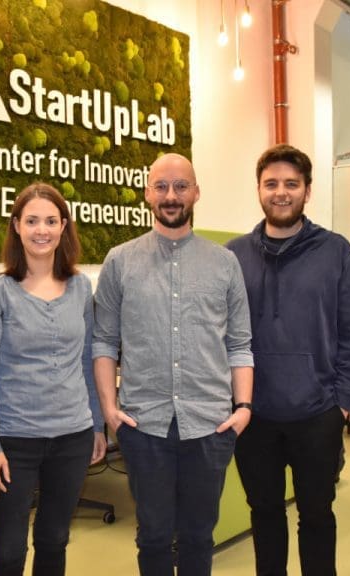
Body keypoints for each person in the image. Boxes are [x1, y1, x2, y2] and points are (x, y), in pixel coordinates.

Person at [92, 153, 254, 576]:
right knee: (154, 536)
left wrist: (243, 408)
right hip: (143, 426)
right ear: (147, 193)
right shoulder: (120, 261)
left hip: (210, 424)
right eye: (161, 186)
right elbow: (104, 341)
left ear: (196, 192)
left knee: (200, 536)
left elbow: (240, 343)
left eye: (181, 186)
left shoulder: (224, 263)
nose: (171, 195)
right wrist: (109, 409)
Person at [226, 144, 350, 576]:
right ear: (259, 190)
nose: (281, 192)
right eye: (272, 184)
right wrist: (234, 402)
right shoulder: (232, 255)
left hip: (317, 414)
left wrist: (340, 403)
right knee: (264, 514)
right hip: (254, 415)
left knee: (317, 516)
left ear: (307, 191)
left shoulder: (336, 251)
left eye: (291, 184)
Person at [0, 183, 107, 575]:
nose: (42, 230)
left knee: (54, 541)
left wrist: (97, 424)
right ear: (16, 226)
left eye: (52, 221)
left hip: (72, 435)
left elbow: (87, 358)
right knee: (7, 550)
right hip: (13, 441)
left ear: (64, 226)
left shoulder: (81, 287)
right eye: (32, 220)